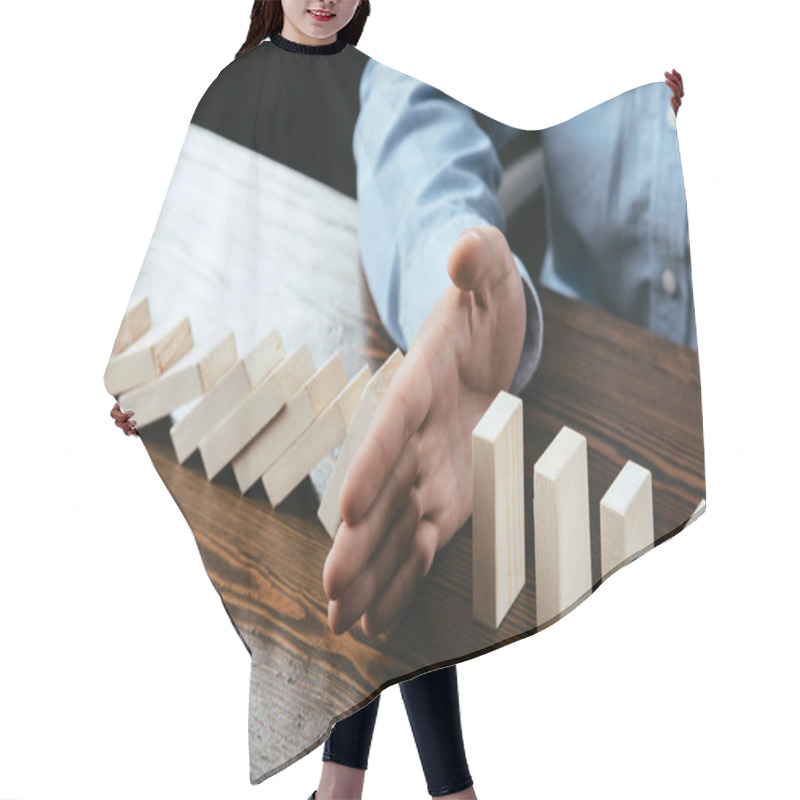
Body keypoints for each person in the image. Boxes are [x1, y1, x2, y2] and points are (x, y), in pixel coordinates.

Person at [109, 2, 688, 797]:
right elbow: (205, 227)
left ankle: (355, 785)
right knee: (375, 566)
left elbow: (452, 132)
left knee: (390, 561)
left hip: (365, 345)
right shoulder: (238, 85)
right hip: (277, 360)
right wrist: (146, 379)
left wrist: (644, 109)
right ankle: (430, 788)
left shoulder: (378, 69)